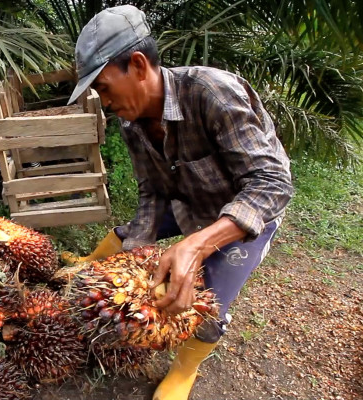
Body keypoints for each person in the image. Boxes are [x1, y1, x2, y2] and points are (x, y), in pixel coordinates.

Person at [66, 5, 294, 400]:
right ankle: (87, 264)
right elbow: (152, 192)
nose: (104, 101)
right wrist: (132, 262)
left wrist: (198, 245)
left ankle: (184, 371)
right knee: (127, 239)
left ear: (137, 65)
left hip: (244, 209)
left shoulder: (212, 92)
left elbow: (272, 183)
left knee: (211, 298)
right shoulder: (131, 121)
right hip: (186, 196)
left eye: (103, 87)